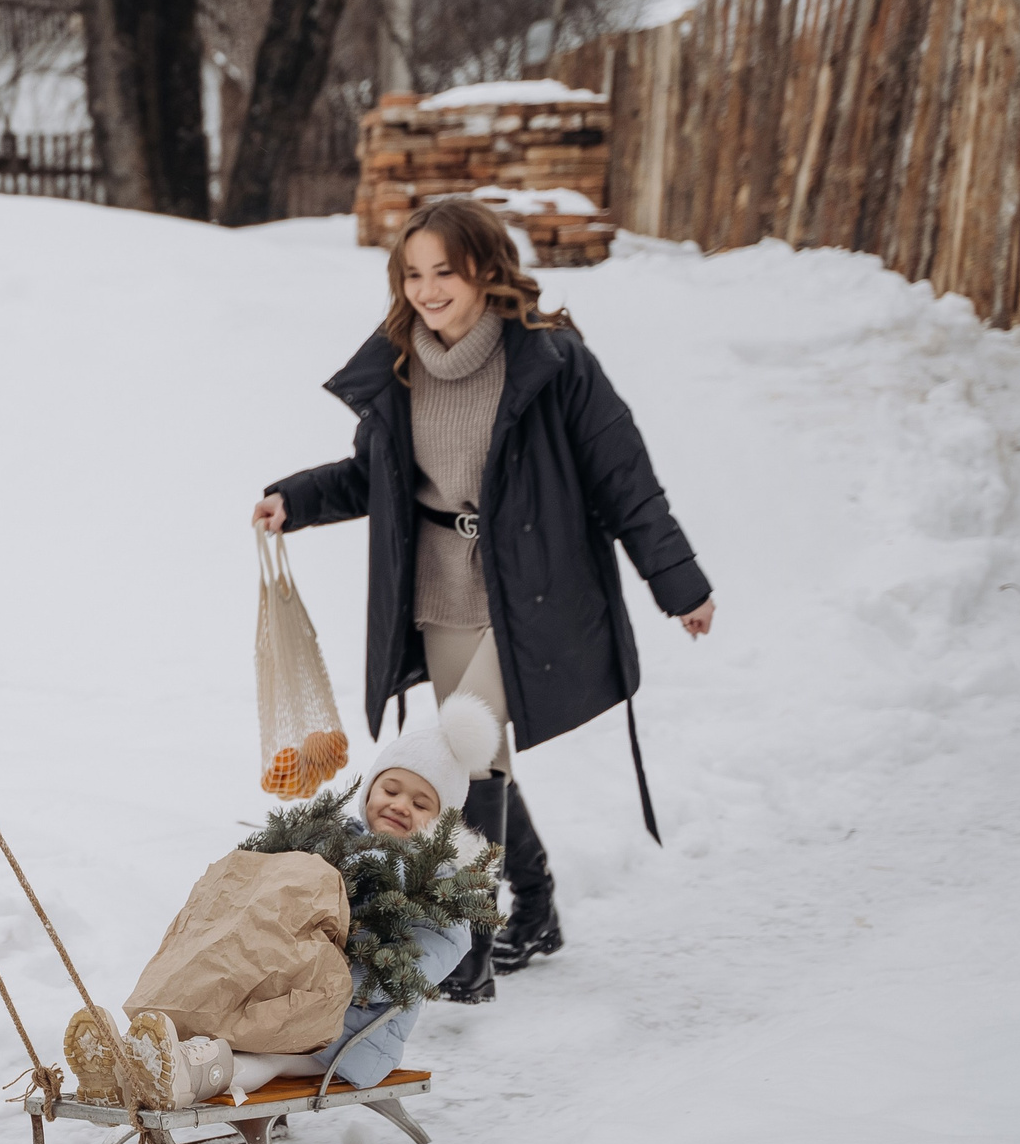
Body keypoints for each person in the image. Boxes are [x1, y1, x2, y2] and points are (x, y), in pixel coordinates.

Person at [252, 195, 716, 1003]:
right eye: (414, 273)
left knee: (465, 749)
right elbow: (373, 475)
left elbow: (625, 478)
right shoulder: (399, 361)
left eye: (447, 273)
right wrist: (295, 498)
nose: (429, 290)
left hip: (529, 591)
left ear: (486, 271)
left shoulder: (551, 359)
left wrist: (679, 584)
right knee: (480, 758)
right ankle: (534, 906)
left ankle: (469, 938)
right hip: (437, 587)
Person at [218, 694, 499, 1101]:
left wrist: (325, 980)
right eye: (390, 789)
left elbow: (409, 972)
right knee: (232, 1025)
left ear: (442, 824)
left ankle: (186, 1077)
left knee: (266, 1054)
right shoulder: (334, 846)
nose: (401, 806)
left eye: (421, 803)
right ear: (369, 791)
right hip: (288, 1007)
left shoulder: (440, 893)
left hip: (348, 1036)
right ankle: (156, 1059)